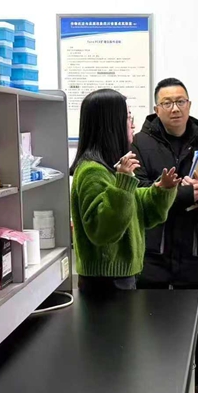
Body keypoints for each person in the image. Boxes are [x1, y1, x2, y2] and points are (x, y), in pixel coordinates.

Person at [132, 78, 198, 393]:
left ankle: (195, 380)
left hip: (193, 247)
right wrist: (185, 194)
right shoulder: (140, 143)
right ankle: (154, 381)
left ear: (189, 105)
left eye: (180, 101)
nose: (175, 108)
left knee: (193, 320)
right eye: (167, 103)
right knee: (151, 319)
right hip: (154, 247)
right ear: (156, 108)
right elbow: (138, 190)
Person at [69, 89, 179, 295]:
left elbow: (136, 209)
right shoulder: (92, 171)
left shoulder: (110, 168)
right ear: (111, 124)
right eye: (128, 118)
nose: (133, 125)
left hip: (119, 277)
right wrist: (123, 184)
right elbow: (103, 230)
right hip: (105, 282)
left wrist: (160, 190)